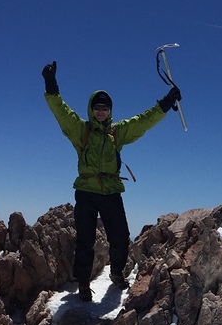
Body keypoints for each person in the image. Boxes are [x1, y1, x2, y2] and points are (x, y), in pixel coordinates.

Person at [42, 60, 181, 301]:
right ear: (91, 109)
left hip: (111, 191)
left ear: (110, 110)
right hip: (86, 191)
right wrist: (50, 83)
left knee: (120, 236)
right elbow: (61, 111)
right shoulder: (80, 130)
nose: (101, 111)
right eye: (97, 107)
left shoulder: (116, 132)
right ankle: (83, 282)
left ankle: (116, 273)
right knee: (85, 240)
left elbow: (142, 121)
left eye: (105, 107)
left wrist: (166, 103)